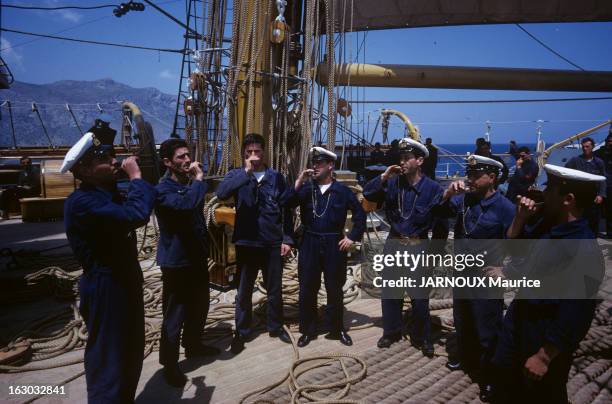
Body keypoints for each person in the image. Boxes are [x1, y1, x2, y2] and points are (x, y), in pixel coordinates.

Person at [492, 164, 605, 403]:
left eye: (550, 189)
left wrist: (544, 357)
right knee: (506, 386)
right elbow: (513, 248)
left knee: (543, 395)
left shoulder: (584, 249)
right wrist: (521, 217)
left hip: (543, 338)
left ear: (568, 199)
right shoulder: (547, 226)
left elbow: (577, 312)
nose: (543, 193)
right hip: (518, 324)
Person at [61, 118, 156, 403]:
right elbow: (134, 215)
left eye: (113, 155)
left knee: (129, 351)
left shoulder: (105, 194)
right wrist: (137, 178)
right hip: (106, 286)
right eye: (106, 158)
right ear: (85, 170)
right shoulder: (83, 202)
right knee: (109, 359)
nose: (115, 162)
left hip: (123, 282)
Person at [435, 154, 515, 402]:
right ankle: (467, 360)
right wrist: (448, 194)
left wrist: (506, 272)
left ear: (491, 177)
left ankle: (490, 377)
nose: (468, 178)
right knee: (463, 320)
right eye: (468, 173)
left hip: (485, 278)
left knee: (487, 328)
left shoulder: (505, 208)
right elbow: (436, 213)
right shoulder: (464, 200)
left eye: (474, 174)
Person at [363, 138, 443, 356]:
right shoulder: (393, 182)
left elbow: (441, 224)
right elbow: (368, 194)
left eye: (407, 158)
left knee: (419, 297)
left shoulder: (433, 189)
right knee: (390, 291)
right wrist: (384, 176)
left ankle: (422, 337)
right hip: (395, 242)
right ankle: (391, 332)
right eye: (401, 158)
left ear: (419, 160)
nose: (403, 161)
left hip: (419, 246)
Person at [216, 134, 293, 354]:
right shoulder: (236, 175)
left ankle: (275, 326)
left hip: (271, 242)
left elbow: (287, 209)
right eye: (249, 152)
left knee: (274, 289)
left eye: (257, 152)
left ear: (264, 152)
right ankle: (242, 330)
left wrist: (287, 238)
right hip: (247, 242)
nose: (253, 156)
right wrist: (246, 173)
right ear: (243, 154)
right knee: (244, 290)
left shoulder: (276, 177)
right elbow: (222, 194)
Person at [285, 146, 366, 347]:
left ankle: (337, 329)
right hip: (310, 242)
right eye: (313, 163)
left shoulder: (343, 191)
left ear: (330, 165)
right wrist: (298, 182)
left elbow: (360, 215)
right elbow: (285, 203)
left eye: (319, 163)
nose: (315, 166)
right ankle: (308, 330)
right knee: (307, 289)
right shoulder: (306, 189)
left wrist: (352, 238)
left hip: (333, 244)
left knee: (334, 289)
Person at [155, 138, 220, 387]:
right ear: (167, 162)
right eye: (180, 157)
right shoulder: (162, 190)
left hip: (195, 257)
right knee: (175, 314)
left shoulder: (189, 184)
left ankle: (193, 345)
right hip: (176, 261)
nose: (186, 160)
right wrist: (199, 181)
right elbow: (184, 206)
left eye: (187, 155)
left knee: (199, 304)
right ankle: (169, 364)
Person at [565, 137, 606, 235]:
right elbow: (565, 172)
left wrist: (601, 195)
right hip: (579, 197)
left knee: (593, 222)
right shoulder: (575, 160)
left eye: (587, 146)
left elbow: (603, 180)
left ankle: (593, 243)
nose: (585, 148)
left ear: (593, 147)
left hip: (593, 197)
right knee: (578, 221)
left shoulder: (599, 162)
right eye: (583, 147)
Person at [594, 131, 612, 237]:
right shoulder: (599, 154)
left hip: (611, 187)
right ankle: (594, 231)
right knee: (597, 211)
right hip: (600, 186)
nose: (610, 143)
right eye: (609, 141)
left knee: (610, 210)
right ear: (606, 142)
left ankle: (610, 232)